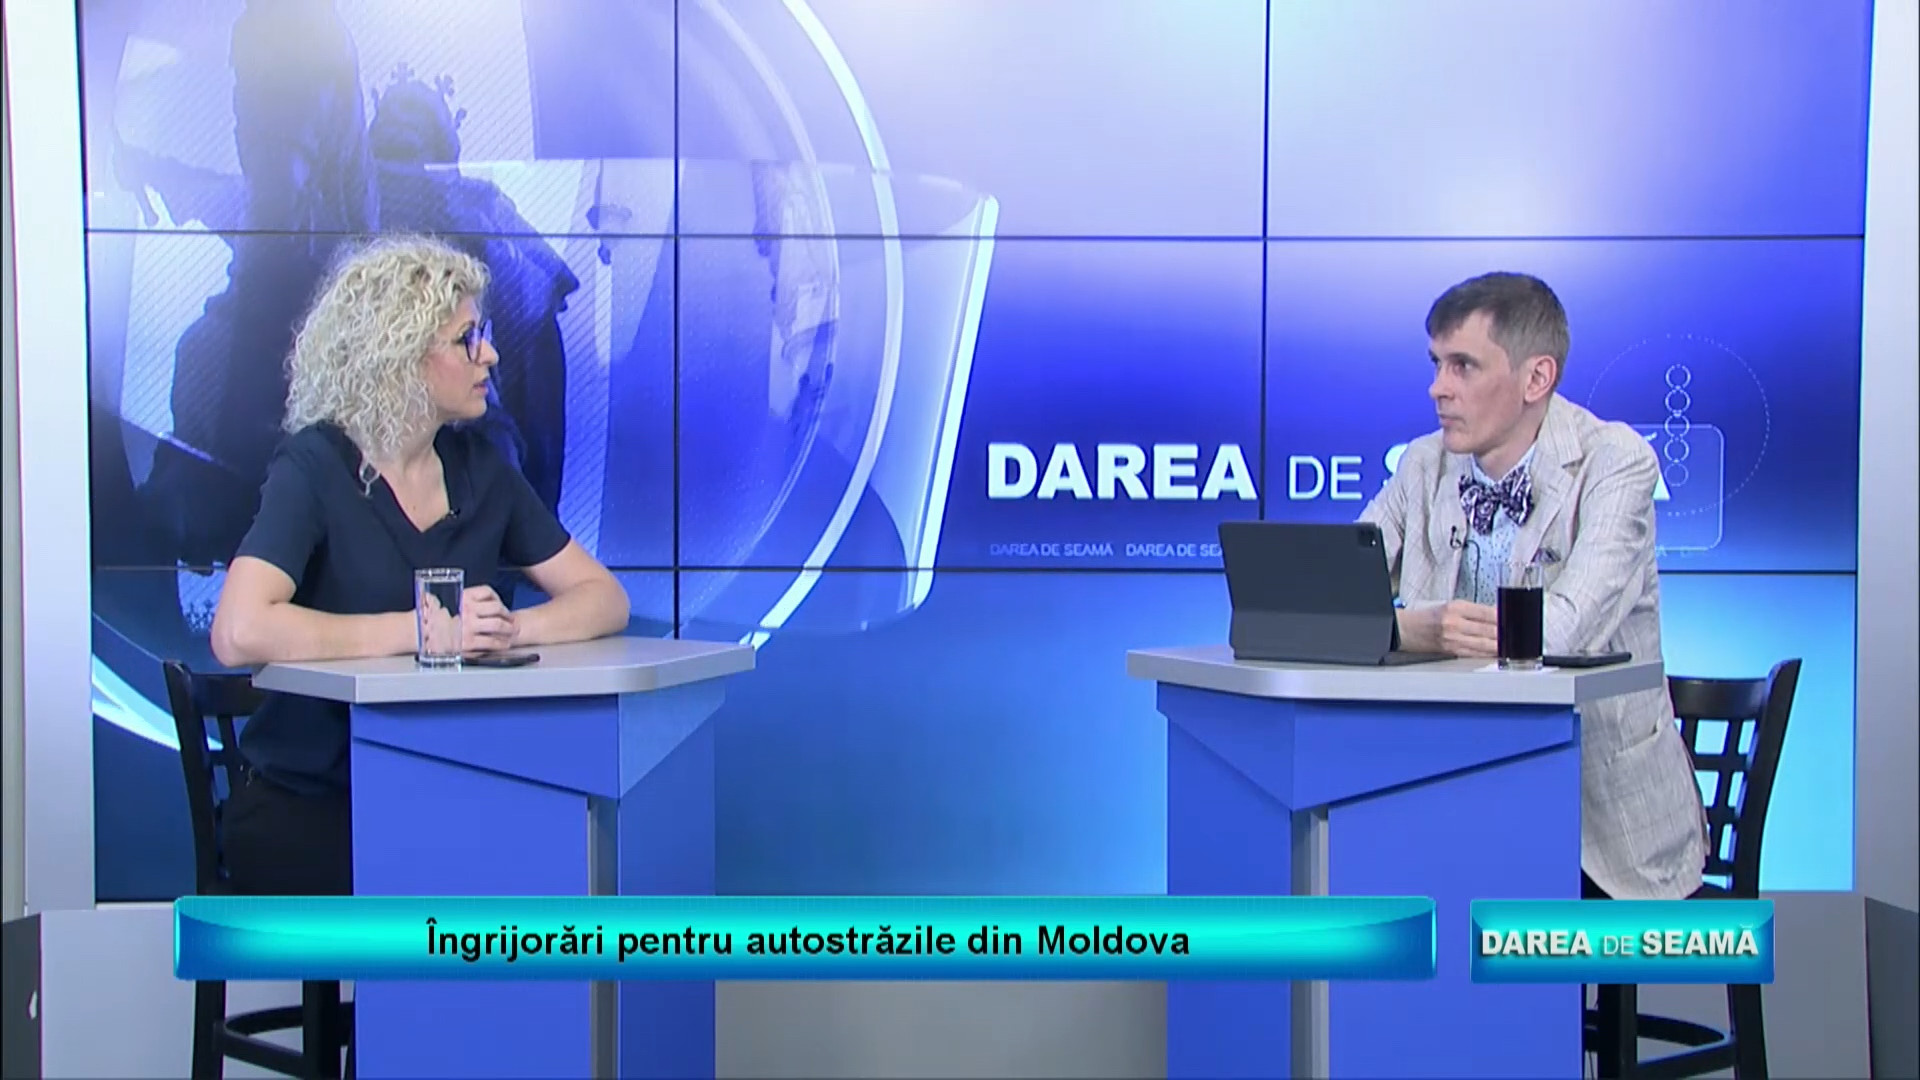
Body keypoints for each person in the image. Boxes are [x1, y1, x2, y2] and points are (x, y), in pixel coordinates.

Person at [208, 234, 631, 897]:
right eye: (467, 339)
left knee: (545, 869)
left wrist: (503, 632)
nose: (489, 355)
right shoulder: (315, 465)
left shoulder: (483, 468)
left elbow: (603, 598)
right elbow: (239, 632)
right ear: (401, 355)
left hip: (448, 790)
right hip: (314, 803)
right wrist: (425, 631)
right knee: (446, 885)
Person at [1359, 271, 1708, 900]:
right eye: (1436, 364)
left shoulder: (1615, 461)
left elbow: (1562, 631)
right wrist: (1409, 628)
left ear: (1537, 378)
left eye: (1463, 366)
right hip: (1452, 793)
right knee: (1385, 884)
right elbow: (1331, 601)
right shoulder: (1423, 463)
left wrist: (1414, 631)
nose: (1438, 388)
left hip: (1600, 831)